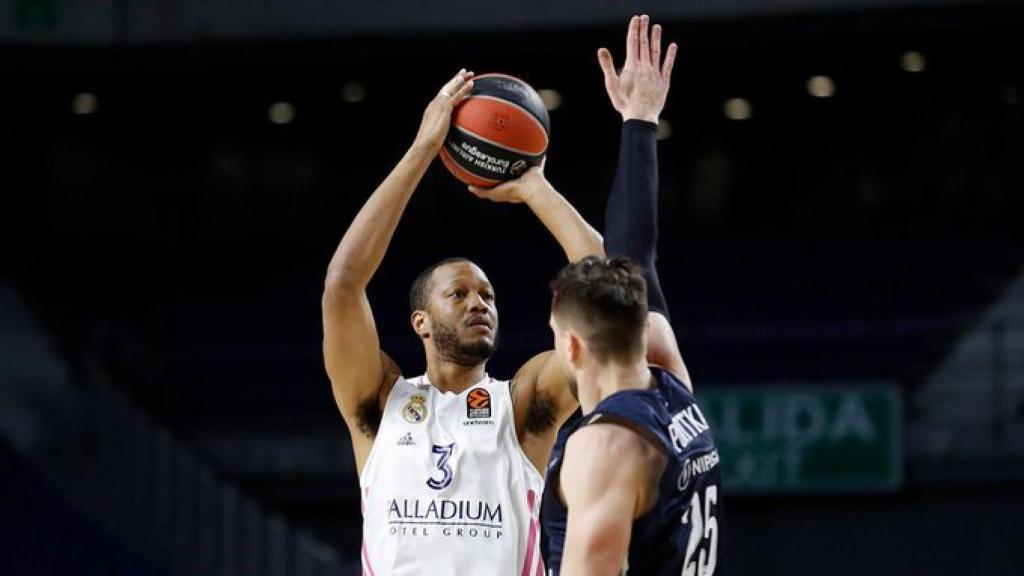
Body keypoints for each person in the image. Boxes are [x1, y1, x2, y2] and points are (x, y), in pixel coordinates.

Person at [321, 69, 605, 574]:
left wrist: (535, 187)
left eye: (488, 295)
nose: (480, 303)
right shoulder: (379, 403)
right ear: (421, 323)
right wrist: (422, 152)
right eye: (460, 294)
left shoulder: (521, 407)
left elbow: (604, 300)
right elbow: (343, 284)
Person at [539, 15, 723, 576]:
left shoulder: (605, 450)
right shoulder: (672, 388)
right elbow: (634, 259)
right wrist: (638, 121)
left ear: (571, 347)